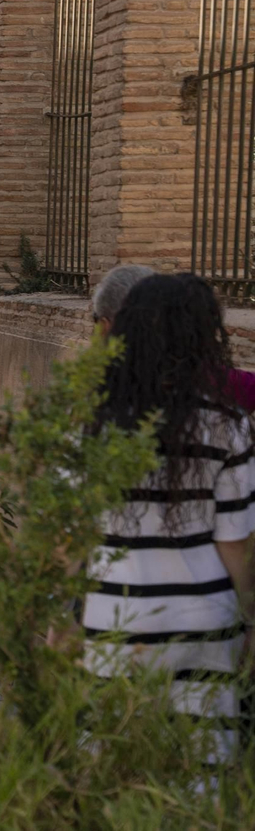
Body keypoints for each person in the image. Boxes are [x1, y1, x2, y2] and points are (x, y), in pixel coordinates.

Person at [87, 273, 255, 767]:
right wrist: (251, 620)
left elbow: (70, 539)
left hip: (113, 614)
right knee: (202, 771)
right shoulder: (227, 421)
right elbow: (235, 544)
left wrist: (60, 617)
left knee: (109, 764)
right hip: (204, 618)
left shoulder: (90, 420)